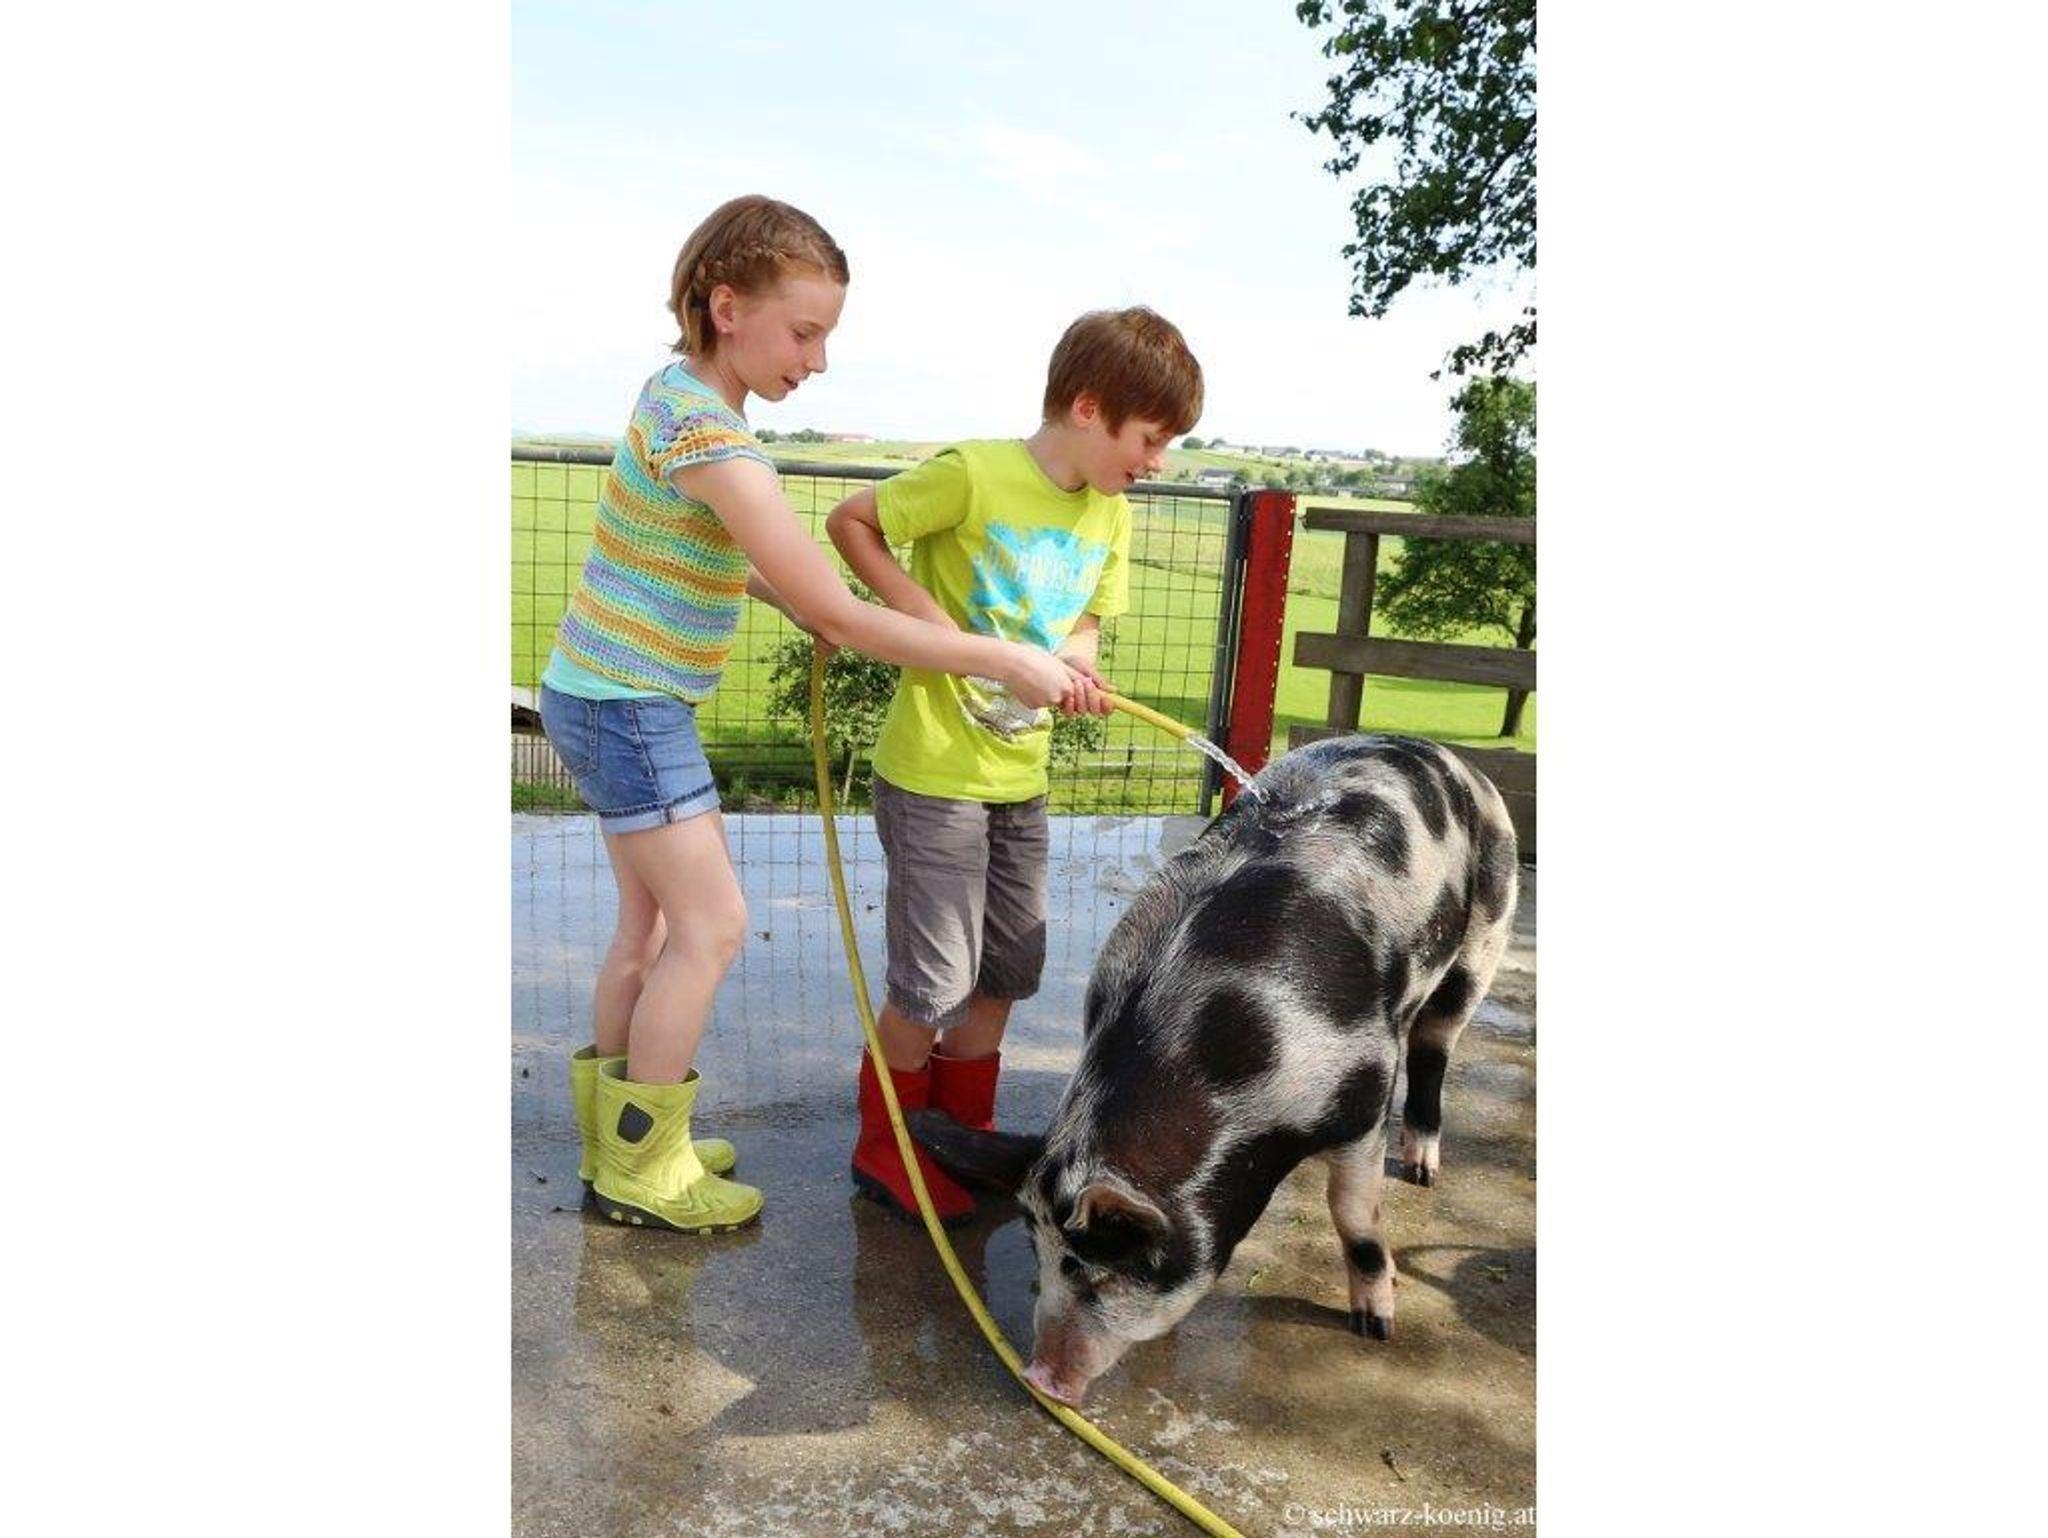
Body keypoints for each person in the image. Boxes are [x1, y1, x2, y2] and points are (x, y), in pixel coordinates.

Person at [542, 195, 1077, 1236]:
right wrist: (1003, 655)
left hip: (602, 691)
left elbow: (691, 547)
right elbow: (842, 610)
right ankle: (643, 1168)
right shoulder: (716, 439)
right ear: (726, 306)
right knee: (711, 927)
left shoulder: (675, 399)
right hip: (630, 709)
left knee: (651, 927)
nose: (817, 360)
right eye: (803, 332)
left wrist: (782, 597)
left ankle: (624, 1140)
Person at [825, 306, 1204, 1222]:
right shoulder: (974, 474)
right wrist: (933, 627)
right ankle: (888, 1153)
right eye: (1150, 439)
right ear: (1089, 408)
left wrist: (1079, 662)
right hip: (935, 777)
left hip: (1019, 781)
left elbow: (1083, 622)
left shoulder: (1109, 514)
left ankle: (964, 1145)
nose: (1157, 462)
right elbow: (852, 522)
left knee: (1005, 972)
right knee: (932, 984)